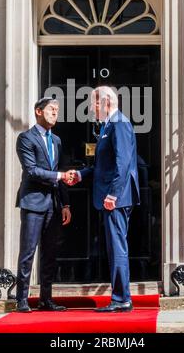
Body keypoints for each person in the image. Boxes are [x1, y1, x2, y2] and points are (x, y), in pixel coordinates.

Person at [70, 86, 140, 312]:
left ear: (106, 101)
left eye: (94, 103)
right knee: (114, 247)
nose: (92, 107)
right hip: (112, 196)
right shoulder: (108, 126)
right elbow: (103, 166)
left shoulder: (119, 124)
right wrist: (82, 174)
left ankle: (121, 299)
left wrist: (113, 194)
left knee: (117, 247)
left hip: (116, 198)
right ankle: (121, 297)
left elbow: (123, 163)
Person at [15, 97, 74, 313]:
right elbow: (31, 170)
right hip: (33, 202)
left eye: (57, 110)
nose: (55, 114)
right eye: (51, 110)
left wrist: (65, 204)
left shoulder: (56, 140)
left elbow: (61, 170)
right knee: (28, 252)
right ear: (38, 111)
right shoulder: (25, 138)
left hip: (54, 205)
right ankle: (21, 299)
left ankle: (45, 299)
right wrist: (59, 175)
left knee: (50, 253)